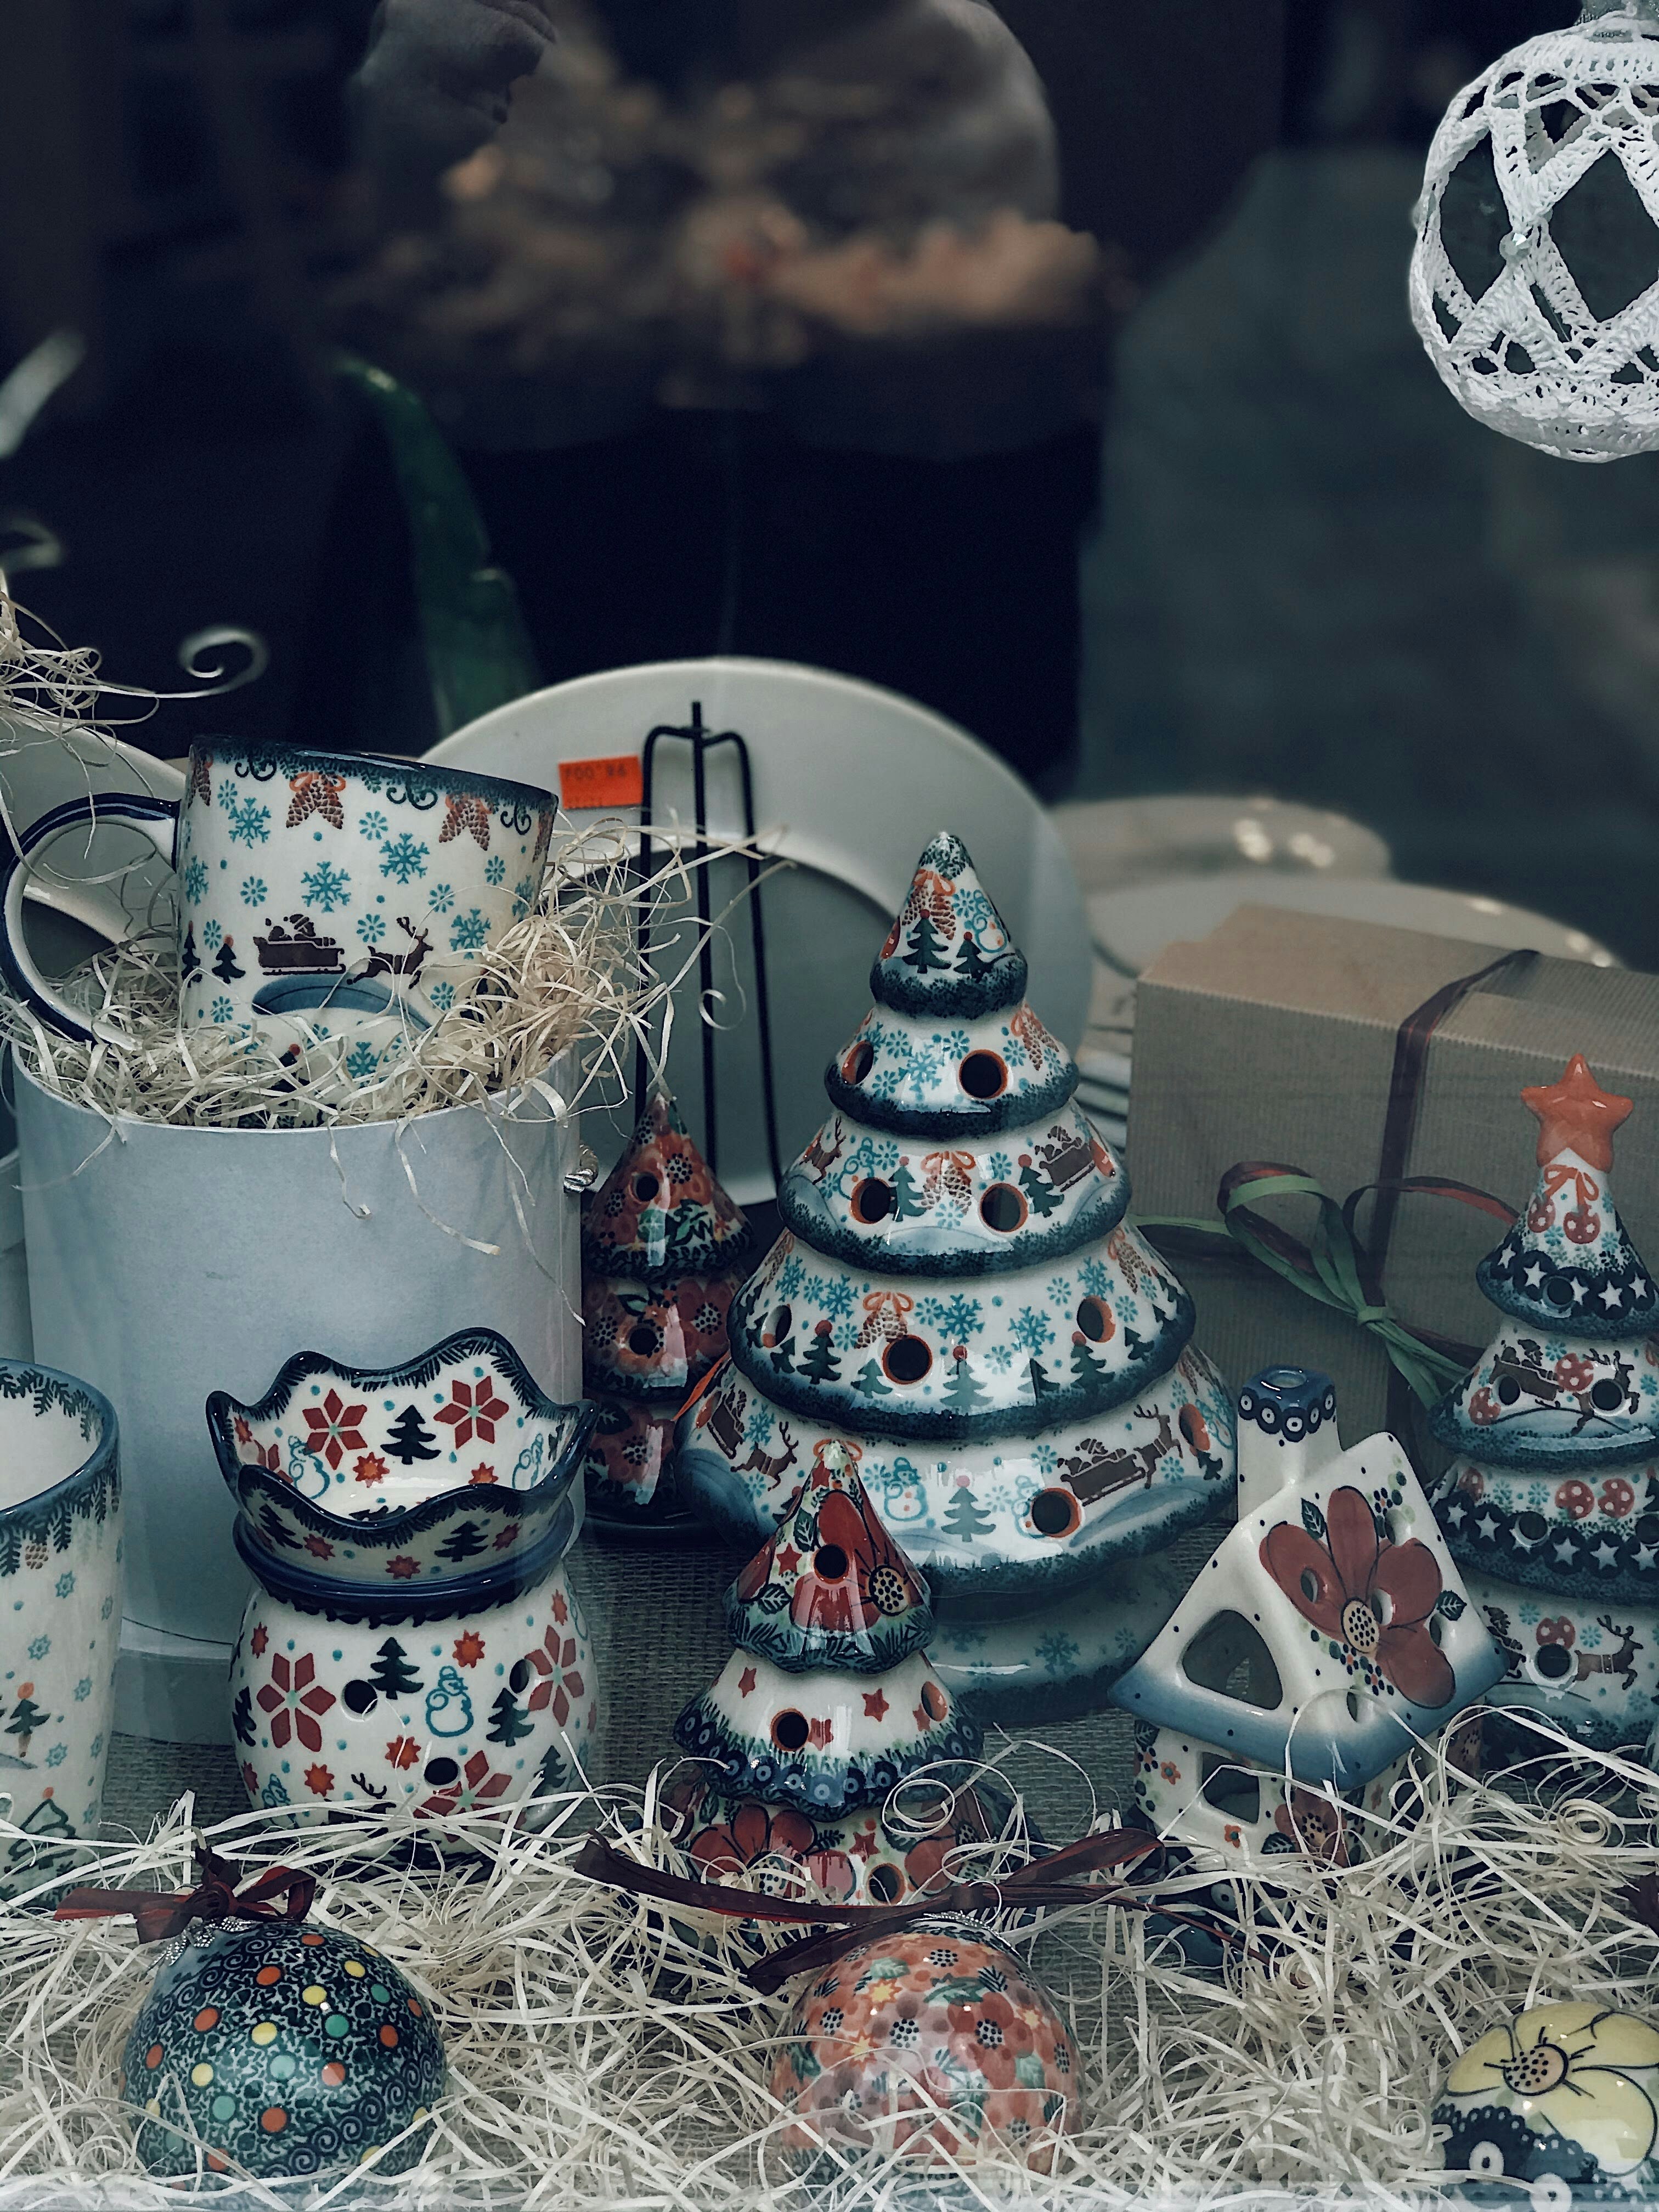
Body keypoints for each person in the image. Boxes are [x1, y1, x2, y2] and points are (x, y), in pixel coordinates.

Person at [326, 0, 1278, 786]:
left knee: (929, 824)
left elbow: (1164, 124)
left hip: (923, 450)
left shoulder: (964, 74)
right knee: (572, 816)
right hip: (562, 442)